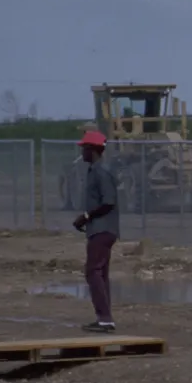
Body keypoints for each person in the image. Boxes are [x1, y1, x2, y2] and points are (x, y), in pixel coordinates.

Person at [72, 130, 119, 334]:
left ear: (93, 150)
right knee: (100, 273)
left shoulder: (101, 171)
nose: (82, 151)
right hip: (100, 229)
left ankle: (105, 319)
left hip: (103, 229)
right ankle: (105, 318)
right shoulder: (95, 170)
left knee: (93, 272)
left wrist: (87, 216)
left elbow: (108, 201)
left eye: (84, 148)